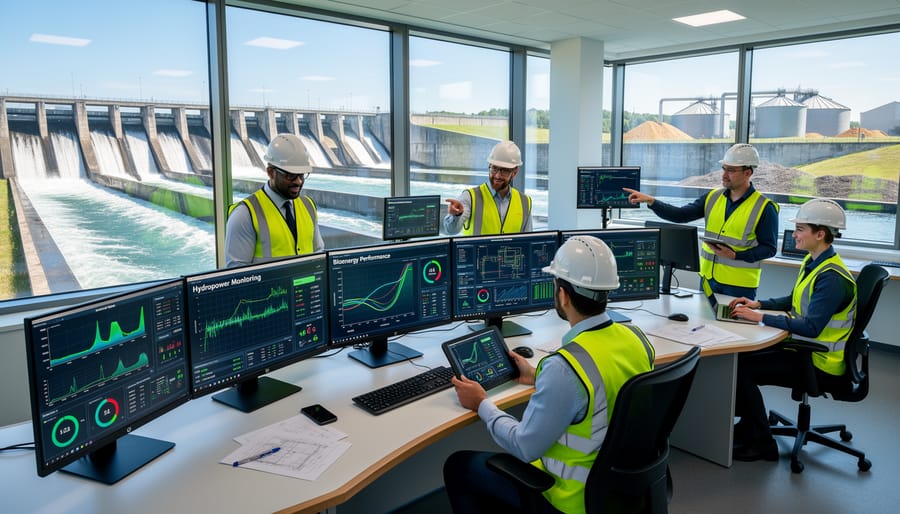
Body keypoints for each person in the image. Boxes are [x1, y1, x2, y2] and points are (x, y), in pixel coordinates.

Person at [443, 236, 655, 514]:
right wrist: (535, 374)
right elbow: (602, 385)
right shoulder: (637, 339)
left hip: (572, 498)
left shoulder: (565, 367)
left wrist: (481, 403)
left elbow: (524, 446)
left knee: (459, 465)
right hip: (625, 489)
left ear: (563, 295)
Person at [728, 198, 857, 461]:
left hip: (819, 361)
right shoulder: (816, 262)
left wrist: (759, 317)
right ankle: (749, 428)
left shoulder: (831, 277)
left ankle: (763, 444)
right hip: (805, 348)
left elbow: (810, 326)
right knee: (739, 358)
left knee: (741, 370)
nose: (794, 234)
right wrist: (759, 303)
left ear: (820, 234)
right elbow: (794, 299)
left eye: (800, 229)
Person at [623, 143, 778, 299]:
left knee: (733, 324)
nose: (724, 175)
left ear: (748, 173)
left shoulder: (764, 207)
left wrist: (735, 255)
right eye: (724, 168)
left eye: (731, 170)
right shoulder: (713, 198)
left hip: (739, 286)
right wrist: (651, 201)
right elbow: (680, 215)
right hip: (707, 280)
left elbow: (769, 249)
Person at [224, 133, 324, 267]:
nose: (298, 181)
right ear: (271, 172)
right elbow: (237, 275)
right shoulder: (244, 214)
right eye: (291, 175)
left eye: (301, 175)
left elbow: (318, 254)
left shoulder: (309, 206)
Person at [442, 140, 533, 235]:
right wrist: (456, 215)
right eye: (494, 168)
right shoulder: (470, 197)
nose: (497, 175)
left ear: (514, 173)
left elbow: (528, 240)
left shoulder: (525, 202)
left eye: (504, 171)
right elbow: (451, 230)